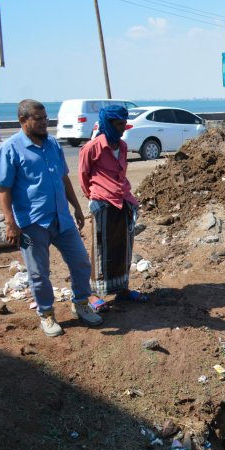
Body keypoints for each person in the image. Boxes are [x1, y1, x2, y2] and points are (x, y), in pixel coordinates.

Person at [0, 99, 103, 337]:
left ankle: (81, 303)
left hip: (61, 218)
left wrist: (75, 206)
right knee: (39, 273)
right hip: (32, 223)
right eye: (38, 119)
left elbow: (63, 179)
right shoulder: (10, 149)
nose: (45, 123)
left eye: (46, 119)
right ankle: (46, 314)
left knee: (81, 262)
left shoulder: (53, 144)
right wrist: (10, 223)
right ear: (23, 120)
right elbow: (4, 189)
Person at [79, 105, 147, 310]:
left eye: (122, 124)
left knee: (123, 247)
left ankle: (122, 289)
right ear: (108, 124)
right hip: (102, 202)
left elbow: (122, 173)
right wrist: (95, 198)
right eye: (117, 124)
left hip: (123, 200)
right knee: (100, 248)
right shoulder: (92, 148)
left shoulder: (123, 147)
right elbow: (84, 177)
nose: (121, 128)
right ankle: (92, 294)